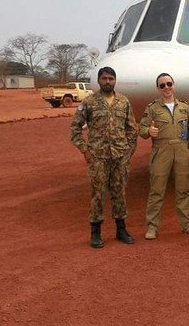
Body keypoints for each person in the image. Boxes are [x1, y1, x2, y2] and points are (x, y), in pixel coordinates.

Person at [70, 67, 138, 248]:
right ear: (99, 80)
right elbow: (75, 129)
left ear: (115, 81)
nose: (108, 82)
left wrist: (128, 151)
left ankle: (121, 230)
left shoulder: (123, 101)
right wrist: (85, 151)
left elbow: (132, 128)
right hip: (98, 157)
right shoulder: (89, 102)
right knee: (98, 195)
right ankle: (95, 233)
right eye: (104, 78)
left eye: (111, 79)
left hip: (120, 157)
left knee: (119, 193)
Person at [139, 73, 189, 239]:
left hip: (182, 151)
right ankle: (152, 227)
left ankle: (187, 224)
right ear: (158, 89)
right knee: (156, 191)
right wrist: (148, 131)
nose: (166, 88)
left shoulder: (184, 107)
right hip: (161, 151)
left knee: (183, 190)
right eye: (162, 85)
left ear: (174, 85)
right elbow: (142, 129)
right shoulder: (152, 108)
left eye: (169, 84)